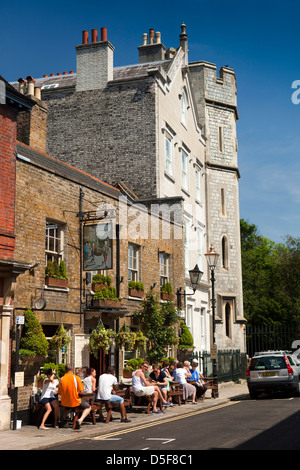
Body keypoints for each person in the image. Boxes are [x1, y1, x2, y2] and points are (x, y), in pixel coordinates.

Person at [58, 364, 91, 429]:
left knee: (67, 408)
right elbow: (81, 392)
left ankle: (63, 420)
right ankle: (80, 420)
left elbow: (60, 392)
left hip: (65, 402)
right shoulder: (76, 378)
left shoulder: (61, 379)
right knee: (88, 407)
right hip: (75, 401)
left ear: (65, 370)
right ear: (72, 370)